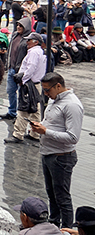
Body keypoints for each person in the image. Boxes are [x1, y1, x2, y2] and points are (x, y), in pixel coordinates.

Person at [31, 72, 84, 229]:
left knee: (62, 198)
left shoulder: (72, 105)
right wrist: (39, 126)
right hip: (48, 154)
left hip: (61, 158)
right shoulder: (55, 100)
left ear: (58, 86)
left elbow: (73, 137)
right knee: (52, 195)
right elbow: (52, 122)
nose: (46, 94)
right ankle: (53, 226)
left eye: (47, 90)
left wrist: (45, 132)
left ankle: (66, 230)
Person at [6, 32, 46, 144]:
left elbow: (30, 68)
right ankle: (35, 134)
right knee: (35, 110)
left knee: (23, 109)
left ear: (36, 42)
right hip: (36, 83)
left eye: (29, 40)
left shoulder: (33, 52)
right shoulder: (40, 51)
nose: (27, 42)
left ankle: (18, 134)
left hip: (30, 84)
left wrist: (22, 80)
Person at [2, 17, 31, 121]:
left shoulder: (29, 38)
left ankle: (20, 114)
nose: (18, 27)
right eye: (18, 25)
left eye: (21, 26)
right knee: (10, 91)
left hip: (21, 71)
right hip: (11, 68)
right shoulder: (14, 35)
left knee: (21, 93)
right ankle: (12, 111)